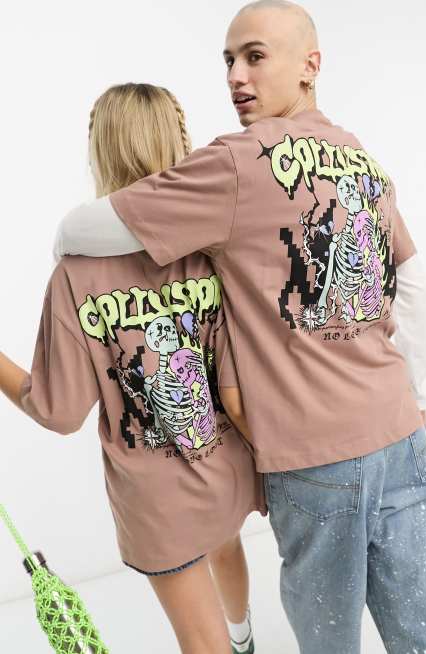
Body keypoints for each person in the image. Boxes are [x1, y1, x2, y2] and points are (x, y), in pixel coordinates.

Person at [54, 2, 426, 652]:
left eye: (254, 56)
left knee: (328, 638)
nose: (235, 76)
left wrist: (61, 247)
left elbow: (92, 226)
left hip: (313, 456)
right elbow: (413, 285)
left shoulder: (236, 163)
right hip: (401, 439)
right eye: (228, 60)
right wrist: (410, 397)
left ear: (310, 64)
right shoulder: (357, 153)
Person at [0, 82, 264, 654]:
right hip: (228, 467)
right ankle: (244, 638)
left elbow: (58, 411)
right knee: (225, 544)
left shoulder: (74, 274)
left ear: (100, 150)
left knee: (202, 643)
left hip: (158, 499)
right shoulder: (210, 251)